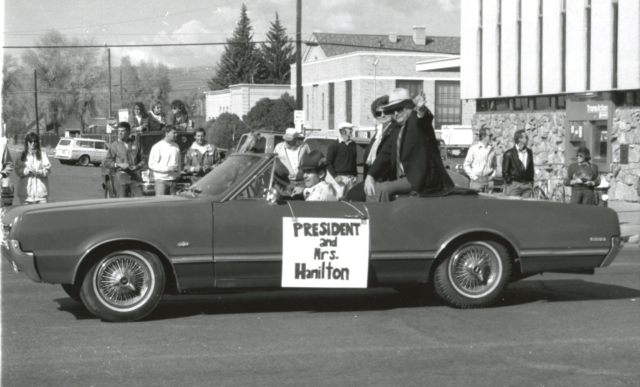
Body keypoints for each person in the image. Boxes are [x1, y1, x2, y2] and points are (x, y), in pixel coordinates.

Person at [365, 88, 454, 201]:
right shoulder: (395, 128)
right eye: (392, 111)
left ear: (410, 107)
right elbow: (384, 154)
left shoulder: (416, 121)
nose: (396, 113)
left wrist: (421, 109)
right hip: (403, 179)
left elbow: (424, 119)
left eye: (399, 109)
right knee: (363, 190)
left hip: (422, 179)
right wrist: (370, 176)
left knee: (379, 190)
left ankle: (380, 218)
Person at [346, 96, 396, 201]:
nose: (382, 115)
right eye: (378, 113)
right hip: (371, 179)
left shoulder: (394, 130)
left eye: (386, 111)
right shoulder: (378, 134)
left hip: (383, 180)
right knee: (350, 196)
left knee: (354, 198)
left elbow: (385, 157)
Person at [104, 122, 145, 197]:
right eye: (118, 131)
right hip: (121, 176)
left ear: (128, 132)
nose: (120, 133)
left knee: (140, 199)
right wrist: (119, 165)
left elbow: (143, 160)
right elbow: (107, 162)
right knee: (122, 202)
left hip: (134, 177)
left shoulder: (136, 144)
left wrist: (137, 166)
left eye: (122, 131)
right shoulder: (114, 146)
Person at [15, 133, 51, 204]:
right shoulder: (21, 155)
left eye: (35, 141)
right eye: (30, 141)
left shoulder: (42, 154)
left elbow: (48, 170)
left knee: (43, 214)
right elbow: (17, 170)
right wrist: (27, 171)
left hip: (41, 194)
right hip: (26, 194)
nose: (33, 143)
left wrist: (38, 172)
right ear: (27, 142)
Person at [274, 128, 310, 193]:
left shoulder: (304, 146)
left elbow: (309, 160)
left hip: (301, 181)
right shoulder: (278, 147)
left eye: (289, 140)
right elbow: (274, 164)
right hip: (286, 182)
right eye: (286, 139)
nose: (287, 141)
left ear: (296, 138)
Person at [326, 122, 358, 196]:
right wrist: (335, 176)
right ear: (343, 131)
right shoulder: (334, 145)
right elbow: (328, 162)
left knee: (348, 201)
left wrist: (355, 175)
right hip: (338, 178)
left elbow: (353, 161)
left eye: (351, 129)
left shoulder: (353, 144)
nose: (351, 131)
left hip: (350, 179)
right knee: (337, 201)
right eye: (349, 129)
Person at [148, 126, 181, 195]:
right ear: (166, 134)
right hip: (161, 181)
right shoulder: (157, 147)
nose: (176, 135)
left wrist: (178, 174)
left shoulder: (176, 146)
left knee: (173, 205)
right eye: (174, 133)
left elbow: (179, 161)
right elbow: (151, 164)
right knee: (161, 204)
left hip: (173, 181)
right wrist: (167, 168)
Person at [463, 127, 497, 193]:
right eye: (489, 135)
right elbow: (466, 165)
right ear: (483, 136)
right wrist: (475, 177)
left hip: (489, 180)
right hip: (477, 181)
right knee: (476, 203)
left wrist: (493, 176)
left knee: (490, 202)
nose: (491, 137)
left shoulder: (492, 149)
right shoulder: (473, 149)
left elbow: (494, 165)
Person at [502, 129, 534, 197]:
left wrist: (531, 182)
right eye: (526, 137)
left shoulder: (529, 152)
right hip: (514, 185)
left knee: (526, 207)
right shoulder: (509, 153)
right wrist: (510, 183)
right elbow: (505, 172)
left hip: (527, 185)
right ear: (520, 139)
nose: (528, 139)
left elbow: (531, 168)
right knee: (513, 206)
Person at [1, 136, 14, 209]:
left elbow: (9, 164)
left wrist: (3, 174)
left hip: (1, 181)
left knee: (8, 184)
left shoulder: (2, 145)